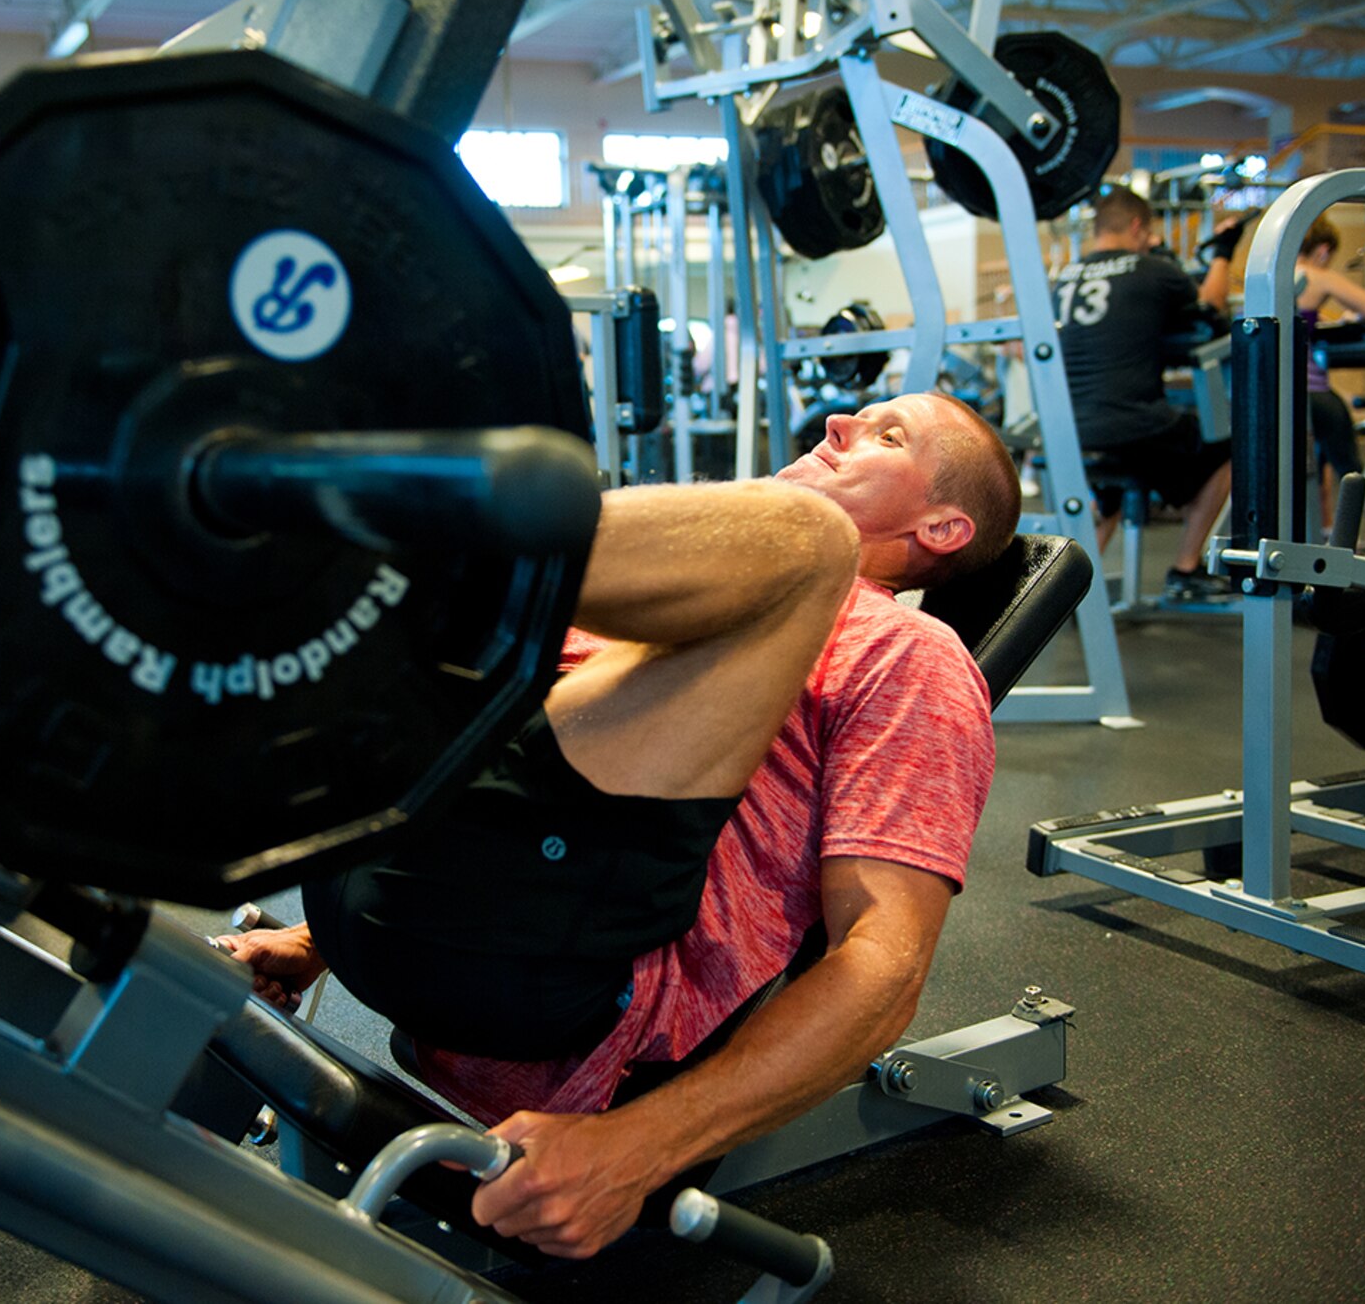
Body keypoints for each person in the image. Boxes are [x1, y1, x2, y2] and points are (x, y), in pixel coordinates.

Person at [221, 391, 1019, 1258]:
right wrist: (316, 940)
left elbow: (884, 957)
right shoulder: (690, 572)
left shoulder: (912, 657)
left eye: (886, 434)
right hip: (389, 862)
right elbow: (519, 759)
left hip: (536, 950)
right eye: (855, 416)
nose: (837, 425)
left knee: (803, 542)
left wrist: (638, 1149)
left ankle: (313, 513)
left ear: (943, 527)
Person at [1055, 186, 1238, 602]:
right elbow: (1212, 303)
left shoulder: (1066, 275)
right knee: (1231, 447)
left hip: (1072, 427)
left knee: (1115, 478)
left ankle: (1063, 596)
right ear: (1139, 227)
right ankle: (1186, 568)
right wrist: (1224, 250)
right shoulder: (1152, 269)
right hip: (1134, 424)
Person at [1294, 216, 1365, 535]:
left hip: (1275, 393)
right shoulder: (1316, 275)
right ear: (1323, 251)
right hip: (1312, 392)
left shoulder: (1270, 275)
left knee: (1314, 463)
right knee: (1348, 464)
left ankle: (1321, 531)